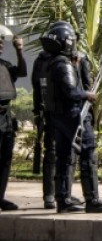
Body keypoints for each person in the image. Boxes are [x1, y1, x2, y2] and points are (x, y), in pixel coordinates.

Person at [39, 23, 102, 214]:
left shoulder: (49, 62)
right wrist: (87, 95)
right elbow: (72, 91)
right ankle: (92, 199)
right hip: (73, 115)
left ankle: (63, 200)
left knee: (63, 158)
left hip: (58, 117)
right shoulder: (63, 64)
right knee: (88, 154)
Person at [32, 21, 85, 210]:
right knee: (63, 154)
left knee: (53, 154)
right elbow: (74, 88)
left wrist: (37, 111)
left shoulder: (41, 60)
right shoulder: (63, 62)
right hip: (61, 113)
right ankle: (60, 195)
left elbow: (36, 89)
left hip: (48, 112)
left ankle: (55, 195)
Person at [0, 28, 26, 211]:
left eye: (2, 41)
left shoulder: (5, 66)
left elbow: (22, 72)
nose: (1, 44)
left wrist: (19, 51)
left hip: (6, 119)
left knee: (6, 160)